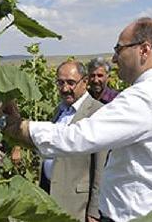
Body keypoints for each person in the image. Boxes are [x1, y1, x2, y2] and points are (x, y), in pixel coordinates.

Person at [0, 18, 152, 222]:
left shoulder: (146, 97)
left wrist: (4, 123)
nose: (115, 59)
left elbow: (76, 137)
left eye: (119, 49)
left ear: (144, 50)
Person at [39, 61, 107, 222]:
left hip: (77, 203)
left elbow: (101, 166)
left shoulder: (97, 112)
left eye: (71, 83)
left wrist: (94, 210)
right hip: (51, 194)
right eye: (60, 83)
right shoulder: (60, 110)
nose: (64, 88)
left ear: (84, 82)